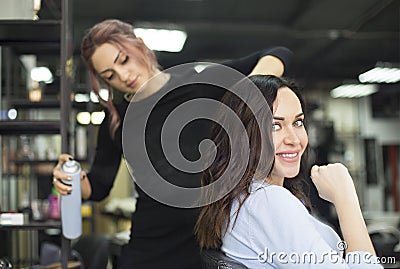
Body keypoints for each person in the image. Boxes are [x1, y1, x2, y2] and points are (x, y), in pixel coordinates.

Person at [52, 19, 293, 269]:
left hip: (210, 242)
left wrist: (249, 91)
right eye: (109, 76)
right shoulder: (116, 120)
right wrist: (75, 182)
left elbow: (278, 53)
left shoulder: (199, 83)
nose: (123, 76)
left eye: (123, 60)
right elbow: (99, 186)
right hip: (150, 248)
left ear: (141, 46)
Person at [195, 75, 383, 268]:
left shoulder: (245, 197)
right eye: (275, 126)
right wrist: (346, 199)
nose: (294, 139)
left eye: (297, 122)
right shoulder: (269, 201)